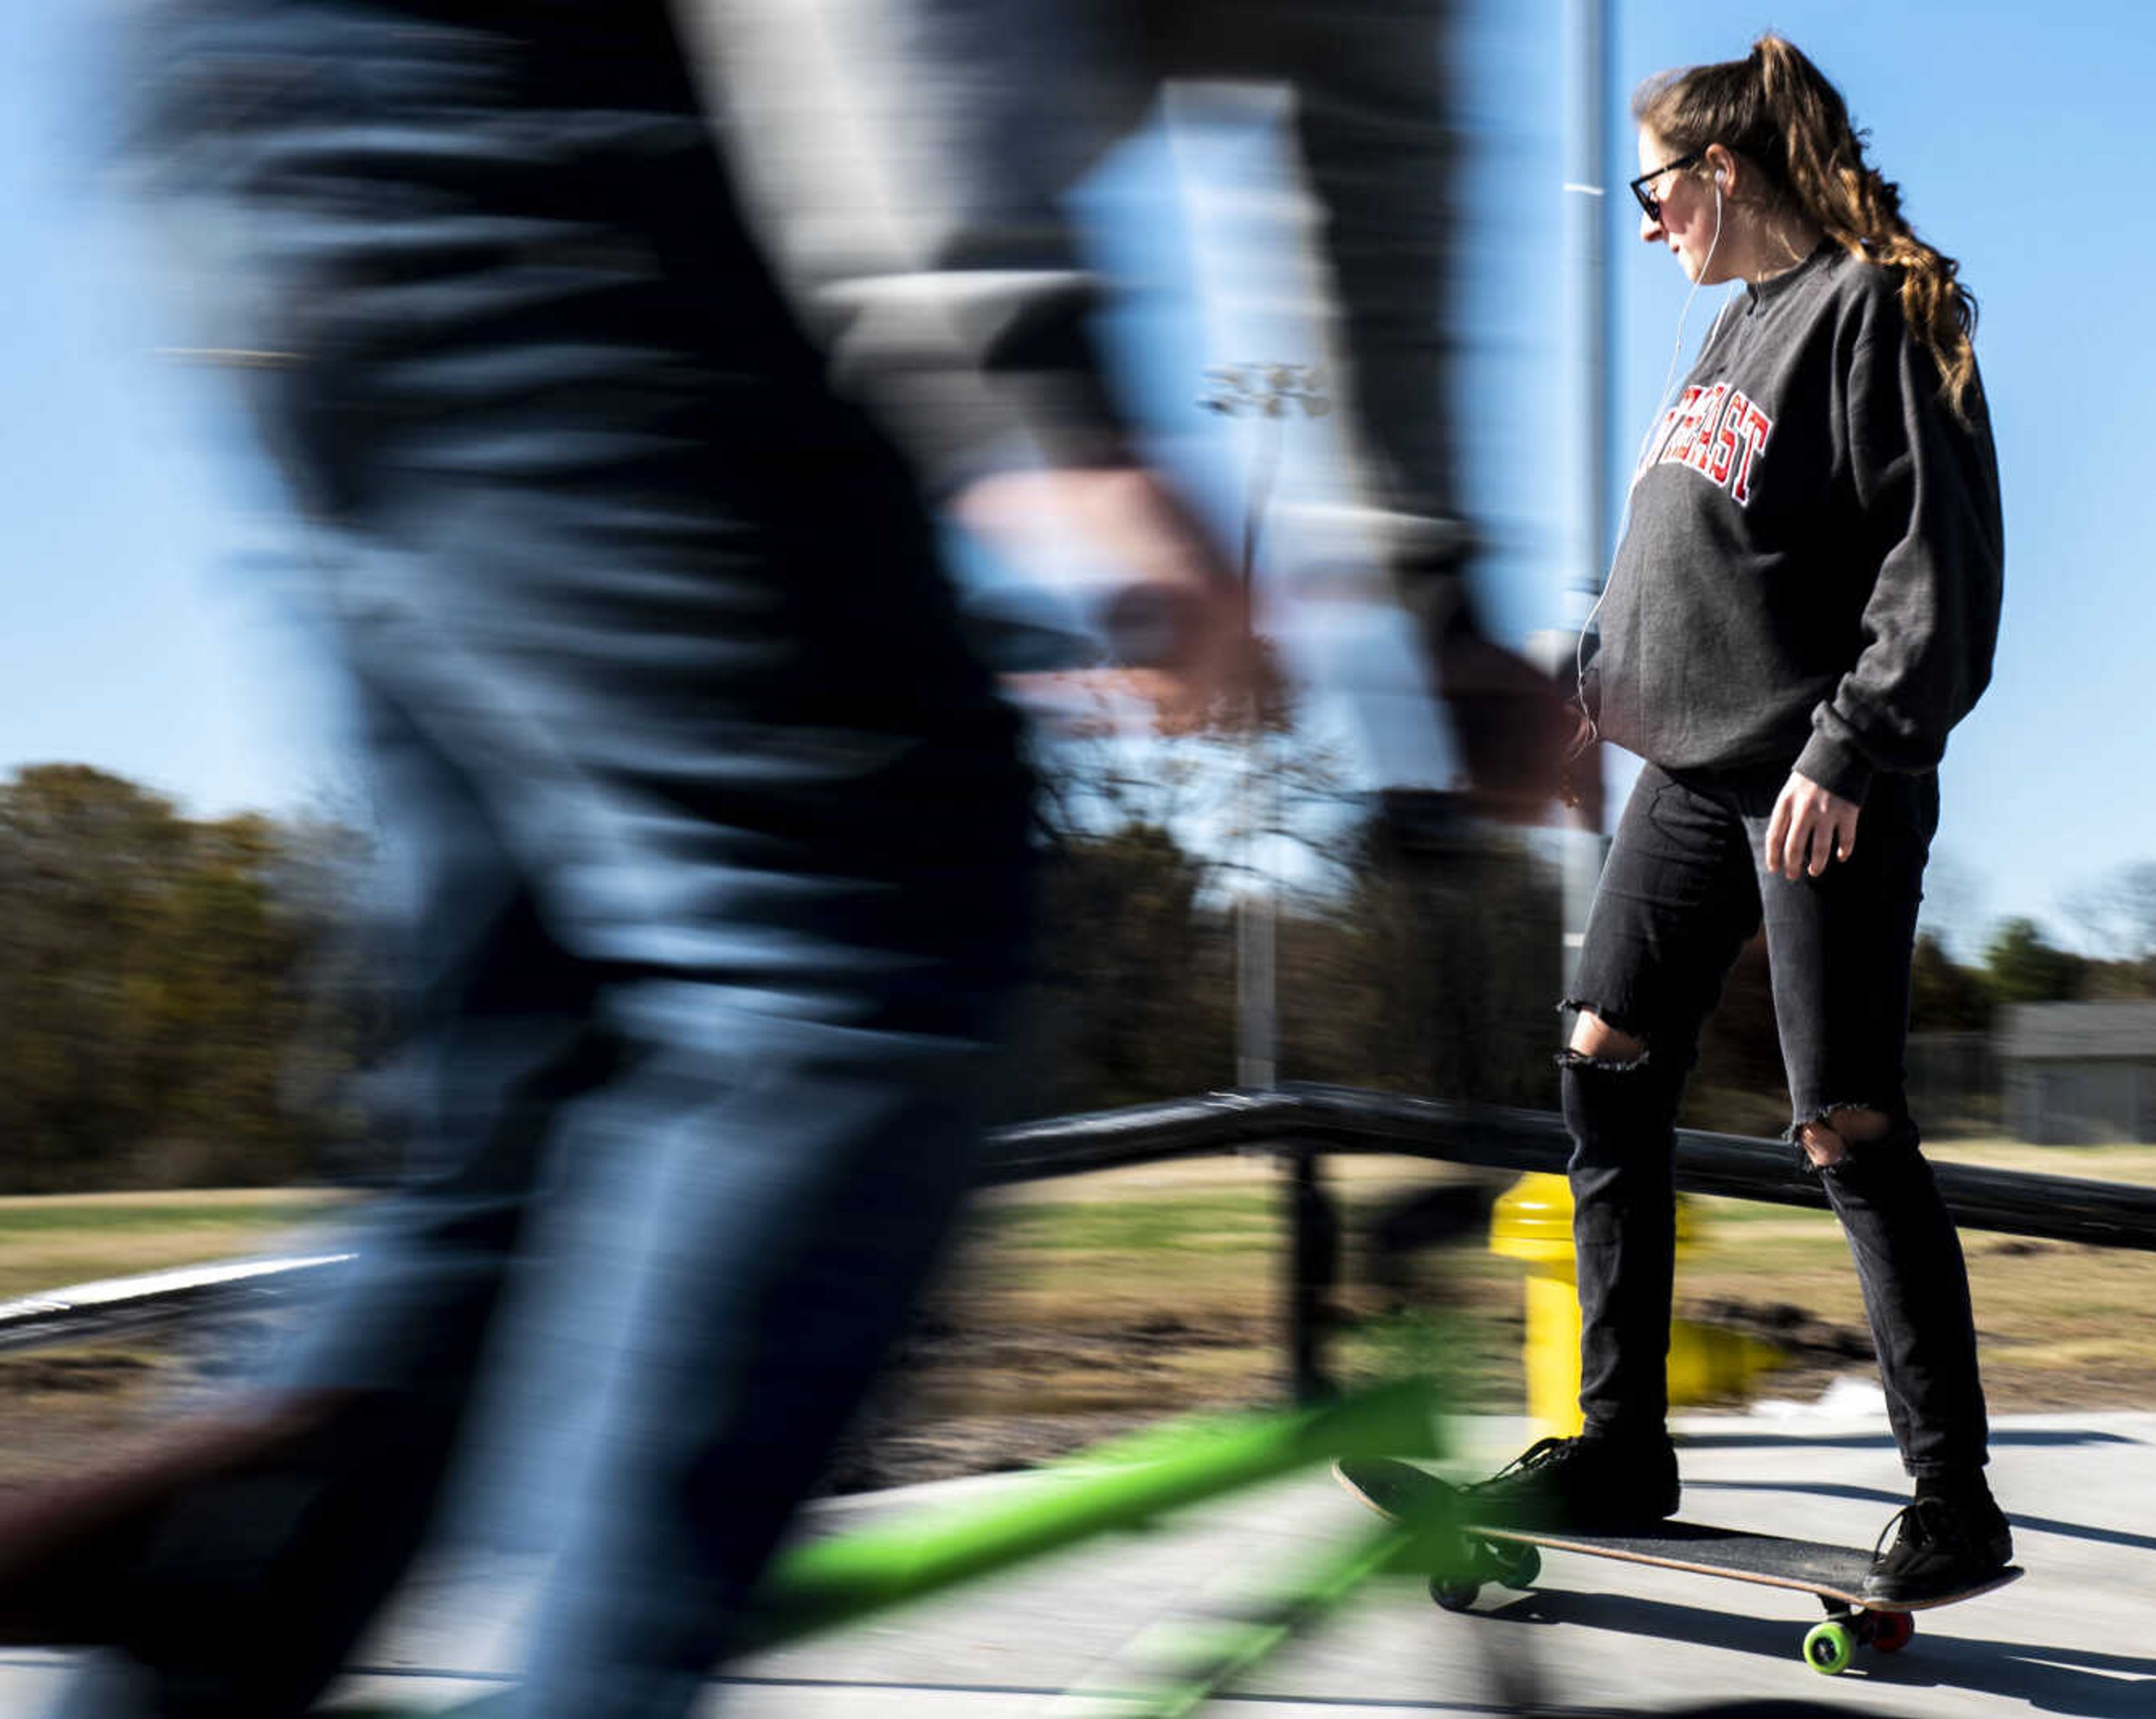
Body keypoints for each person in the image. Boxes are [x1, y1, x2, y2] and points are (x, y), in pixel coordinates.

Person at [0, 1, 1555, 1715]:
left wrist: (1439, 604)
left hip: (312, 140)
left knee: (526, 1130)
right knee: (857, 981)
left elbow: (1370, 132)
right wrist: (1045, 390)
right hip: (548, 141)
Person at [1460, 34, 2011, 1605]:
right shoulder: (1729, 331)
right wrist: (1580, 692)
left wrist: (1854, 748)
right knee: (1603, 1051)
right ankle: (1621, 1439)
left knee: (1845, 1120)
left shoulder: (1874, 307)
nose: (1644, 223)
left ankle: (1952, 1501)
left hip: (1819, 781)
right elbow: (1686, 577)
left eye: (1653, 187)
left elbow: (1939, 572)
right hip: (1690, 774)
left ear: (1720, 170)